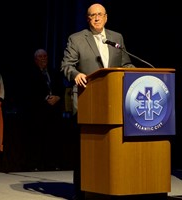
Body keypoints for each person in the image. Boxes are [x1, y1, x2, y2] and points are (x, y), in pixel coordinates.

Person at [60, 3, 135, 199]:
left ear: (106, 17)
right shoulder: (76, 39)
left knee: (110, 147)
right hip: (88, 100)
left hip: (114, 103)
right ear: (88, 19)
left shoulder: (117, 37)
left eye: (99, 14)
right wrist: (75, 74)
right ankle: (83, 191)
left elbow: (125, 63)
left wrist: (134, 73)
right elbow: (66, 66)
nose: (96, 18)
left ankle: (110, 186)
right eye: (92, 15)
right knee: (86, 149)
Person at [24, 49, 64, 171]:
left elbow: (61, 87)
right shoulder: (31, 73)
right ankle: (35, 164)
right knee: (37, 138)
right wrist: (46, 98)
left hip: (54, 111)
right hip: (38, 111)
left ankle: (51, 163)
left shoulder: (53, 72)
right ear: (35, 59)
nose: (43, 58)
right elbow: (29, 92)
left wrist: (58, 97)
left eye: (45, 56)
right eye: (40, 56)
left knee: (52, 137)